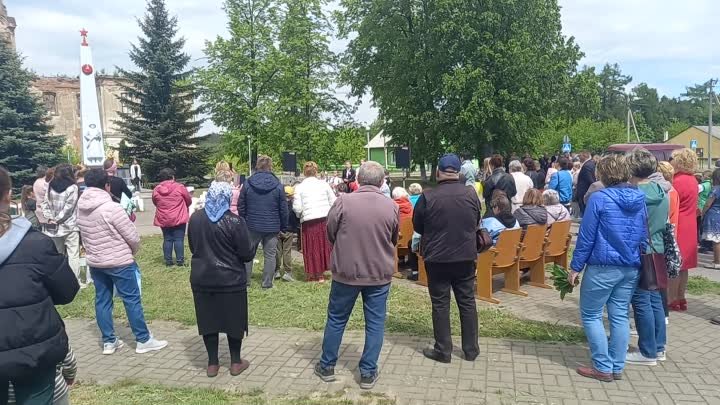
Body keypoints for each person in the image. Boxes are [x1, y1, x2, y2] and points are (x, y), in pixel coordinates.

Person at [315, 161, 399, 389]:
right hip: (378, 273)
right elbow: (393, 237)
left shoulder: (343, 202)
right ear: (382, 181)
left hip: (346, 272)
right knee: (375, 323)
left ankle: (327, 366)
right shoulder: (390, 206)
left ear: (358, 179)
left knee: (336, 319)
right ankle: (368, 372)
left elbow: (330, 232)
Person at [0, 166, 79, 405]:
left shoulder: (34, 242)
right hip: (32, 353)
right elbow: (66, 290)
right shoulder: (34, 244)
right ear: (8, 195)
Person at [569, 154, 646, 382]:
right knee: (619, 315)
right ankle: (616, 365)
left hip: (603, 265)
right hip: (630, 265)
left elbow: (587, 236)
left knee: (591, 314)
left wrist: (575, 267)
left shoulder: (599, 199)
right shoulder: (639, 197)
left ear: (602, 173)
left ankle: (602, 366)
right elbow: (644, 233)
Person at [77, 168, 168, 355]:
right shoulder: (112, 207)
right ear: (107, 185)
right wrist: (132, 251)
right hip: (119, 261)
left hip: (96, 262)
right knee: (132, 300)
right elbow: (132, 236)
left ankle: (109, 341)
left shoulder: (81, 207)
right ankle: (143, 339)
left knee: (102, 300)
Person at [413, 154, 481, 363]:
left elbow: (418, 226)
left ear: (438, 172)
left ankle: (443, 350)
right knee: (467, 302)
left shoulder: (427, 196)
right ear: (458, 172)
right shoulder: (471, 194)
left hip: (438, 258)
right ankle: (471, 350)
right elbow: (477, 219)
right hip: (465, 256)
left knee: (441, 304)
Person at [188, 180, 254, 378]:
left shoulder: (196, 219)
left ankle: (212, 363)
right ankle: (235, 362)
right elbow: (247, 253)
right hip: (231, 280)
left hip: (202, 278)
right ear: (227, 197)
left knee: (208, 320)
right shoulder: (235, 221)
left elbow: (193, 247)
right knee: (234, 321)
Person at [625, 148, 668, 366]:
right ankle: (659, 347)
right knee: (655, 300)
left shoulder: (634, 195)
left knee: (641, 301)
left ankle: (648, 352)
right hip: (657, 248)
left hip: (640, 250)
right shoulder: (661, 191)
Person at [240, 155, 288, 288]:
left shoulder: (248, 183)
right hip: (272, 226)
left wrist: (244, 220)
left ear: (257, 166)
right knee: (270, 255)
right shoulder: (278, 185)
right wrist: (283, 227)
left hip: (252, 224)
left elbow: (241, 204)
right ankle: (267, 283)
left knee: (248, 254)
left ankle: (245, 281)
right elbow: (283, 209)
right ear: (270, 166)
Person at [292, 161, 335, 282]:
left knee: (310, 247)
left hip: (308, 221)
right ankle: (321, 274)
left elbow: (297, 207)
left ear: (304, 172)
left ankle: (311, 274)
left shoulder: (300, 187)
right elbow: (333, 201)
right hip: (323, 218)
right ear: (316, 171)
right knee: (322, 245)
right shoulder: (324, 184)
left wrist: (299, 214)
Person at [41, 163, 83, 287]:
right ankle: (75, 281)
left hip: (53, 227)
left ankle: (60, 281)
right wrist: (58, 219)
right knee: (73, 254)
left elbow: (45, 203)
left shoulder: (50, 185)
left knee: (58, 255)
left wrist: (50, 218)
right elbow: (69, 208)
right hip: (69, 225)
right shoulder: (73, 187)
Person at [669, 148, 698, 312]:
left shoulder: (677, 181)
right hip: (690, 224)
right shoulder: (693, 180)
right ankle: (681, 297)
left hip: (679, 224)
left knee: (674, 266)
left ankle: (671, 298)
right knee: (684, 266)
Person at [7, 342, 77, 405]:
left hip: (10, 397)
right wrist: (69, 377)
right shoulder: (49, 328)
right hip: (55, 392)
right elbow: (68, 357)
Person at [152, 168, 192, 267]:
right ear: (173, 177)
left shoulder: (156, 189)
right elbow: (188, 200)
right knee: (179, 239)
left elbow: (155, 202)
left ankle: (168, 261)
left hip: (164, 217)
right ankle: (180, 261)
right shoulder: (179, 187)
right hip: (178, 216)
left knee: (167, 239)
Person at [276, 186, 298, 282]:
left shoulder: (277, 204)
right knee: (287, 251)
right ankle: (287, 272)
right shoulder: (293, 206)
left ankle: (275, 271)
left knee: (277, 251)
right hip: (289, 230)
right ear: (292, 196)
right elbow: (296, 219)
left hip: (277, 229)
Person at [701, 169, 720, 268]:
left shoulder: (715, 189)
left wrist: (703, 212)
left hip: (714, 216)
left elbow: (708, 203)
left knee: (716, 240)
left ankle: (717, 262)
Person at [576, 151, 597, 216]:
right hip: (586, 191)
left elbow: (590, 180)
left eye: (580, 156)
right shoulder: (590, 163)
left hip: (584, 192)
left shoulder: (587, 166)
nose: (579, 158)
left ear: (584, 156)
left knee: (585, 212)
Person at [698, 171, 713, 253]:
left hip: (701, 206)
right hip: (710, 207)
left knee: (702, 227)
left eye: (702, 176)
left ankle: (704, 245)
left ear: (705, 176)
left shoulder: (702, 185)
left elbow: (695, 191)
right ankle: (710, 245)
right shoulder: (711, 185)